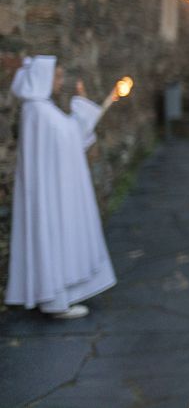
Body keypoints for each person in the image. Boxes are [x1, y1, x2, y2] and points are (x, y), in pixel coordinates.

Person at [5, 56, 116, 319]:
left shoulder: (41, 109)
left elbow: (69, 136)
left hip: (51, 188)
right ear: (42, 77)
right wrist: (83, 107)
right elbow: (70, 138)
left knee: (52, 236)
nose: (60, 81)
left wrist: (83, 108)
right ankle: (55, 301)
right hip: (51, 192)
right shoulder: (39, 111)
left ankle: (53, 294)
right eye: (57, 76)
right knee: (52, 235)